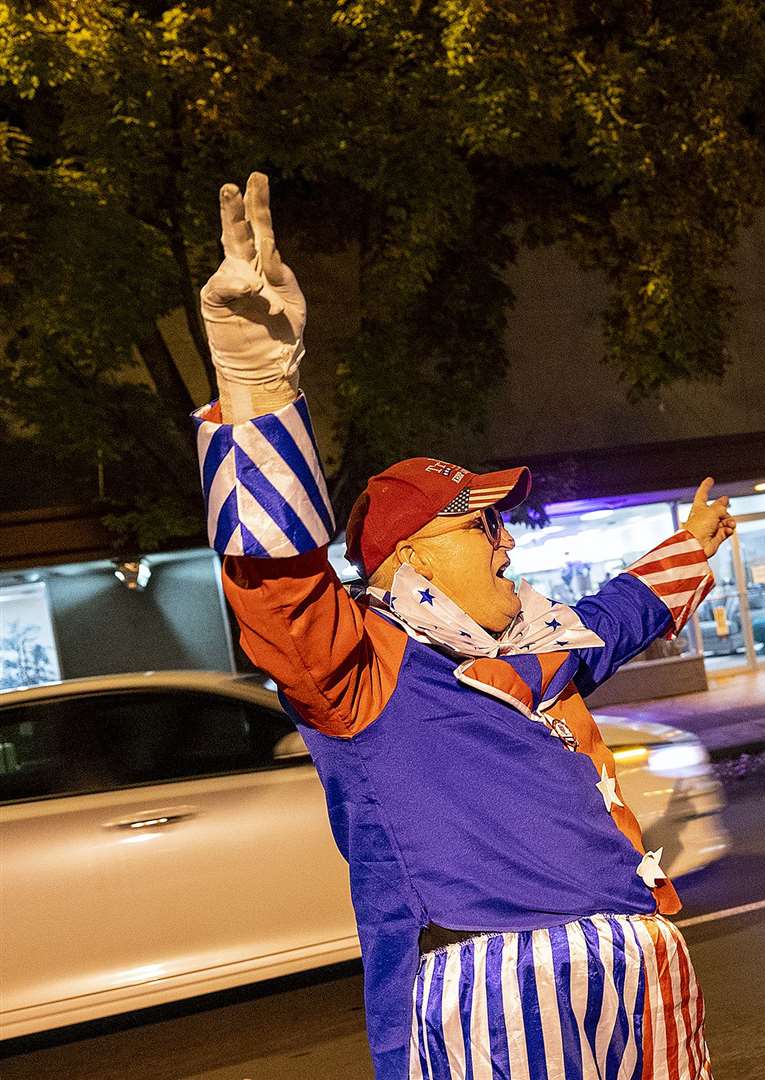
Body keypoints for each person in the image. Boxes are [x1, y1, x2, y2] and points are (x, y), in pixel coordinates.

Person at [193, 173, 735, 1078]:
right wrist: (256, 386)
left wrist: (690, 544)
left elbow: (622, 613)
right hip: (495, 989)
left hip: (638, 965)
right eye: (480, 526)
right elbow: (276, 582)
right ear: (407, 558)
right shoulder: (360, 662)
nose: (506, 548)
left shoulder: (537, 645)